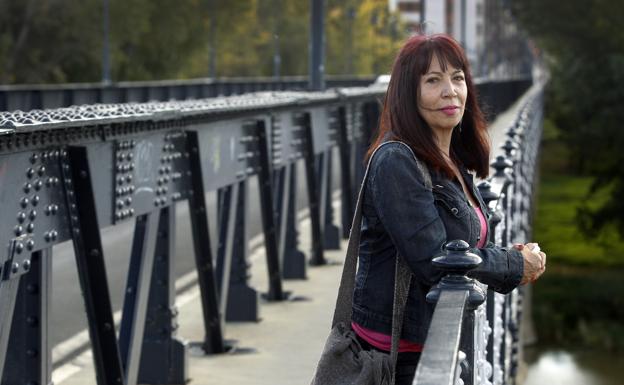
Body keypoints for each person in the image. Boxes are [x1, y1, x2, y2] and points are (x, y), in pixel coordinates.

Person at [351, 34, 546, 384]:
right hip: (395, 359)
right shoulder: (396, 160)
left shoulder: (451, 159)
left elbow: (463, 245)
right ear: (407, 95)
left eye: (457, 78)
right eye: (432, 80)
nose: (450, 91)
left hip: (434, 339)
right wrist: (514, 265)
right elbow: (436, 262)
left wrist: (506, 255)